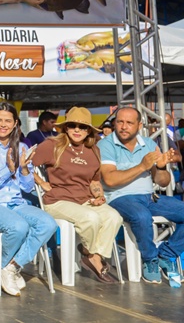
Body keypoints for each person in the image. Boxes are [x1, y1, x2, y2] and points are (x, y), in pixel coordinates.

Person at [0, 102, 57, 296]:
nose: (3, 124)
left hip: (15, 203)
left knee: (48, 223)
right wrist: (8, 169)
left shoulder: (22, 147)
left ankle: (10, 266)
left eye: (8, 121)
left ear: (16, 123)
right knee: (18, 227)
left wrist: (24, 169)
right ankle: (5, 268)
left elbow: (26, 187)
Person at [32, 107, 122, 283]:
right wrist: (41, 182)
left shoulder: (93, 150)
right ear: (66, 127)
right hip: (57, 200)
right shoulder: (52, 145)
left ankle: (92, 254)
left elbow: (94, 181)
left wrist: (99, 196)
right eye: (72, 125)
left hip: (84, 199)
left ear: (88, 130)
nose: (77, 130)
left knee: (114, 217)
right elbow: (25, 164)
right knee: (90, 218)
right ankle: (92, 257)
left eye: (82, 127)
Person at [99, 106, 184, 283]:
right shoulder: (105, 145)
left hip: (149, 197)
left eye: (129, 123)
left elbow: (163, 182)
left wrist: (161, 167)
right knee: (141, 215)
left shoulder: (149, 144)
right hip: (119, 197)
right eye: (120, 122)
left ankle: (167, 255)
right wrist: (142, 166)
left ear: (139, 125)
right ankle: (150, 260)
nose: (123, 126)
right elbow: (110, 180)